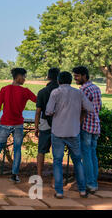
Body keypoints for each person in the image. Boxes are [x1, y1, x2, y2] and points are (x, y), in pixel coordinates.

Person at [46, 71, 94, 199]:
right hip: (74, 131)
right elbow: (90, 108)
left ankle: (59, 191)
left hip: (58, 132)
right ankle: (83, 190)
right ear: (71, 80)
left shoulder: (55, 92)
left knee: (57, 161)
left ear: (58, 81)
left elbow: (49, 111)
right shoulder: (78, 93)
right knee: (78, 161)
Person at [0, 68, 37, 183]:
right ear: (18, 77)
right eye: (24, 77)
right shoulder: (26, 91)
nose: (24, 79)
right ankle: (14, 175)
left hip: (5, 123)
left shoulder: (4, 89)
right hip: (18, 124)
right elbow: (37, 100)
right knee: (17, 149)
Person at [73, 66, 102, 194]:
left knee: (86, 155)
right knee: (92, 155)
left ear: (84, 76)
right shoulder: (96, 88)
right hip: (95, 125)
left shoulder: (83, 89)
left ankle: (90, 184)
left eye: (77, 76)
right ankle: (94, 182)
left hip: (86, 125)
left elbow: (82, 109)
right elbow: (99, 107)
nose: (75, 78)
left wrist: (77, 124)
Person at [34, 67, 60, 177]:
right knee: (57, 154)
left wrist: (36, 127)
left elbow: (38, 111)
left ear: (48, 77)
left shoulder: (42, 92)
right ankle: (55, 180)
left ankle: (39, 176)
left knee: (41, 151)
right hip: (59, 124)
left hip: (44, 123)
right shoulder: (61, 91)